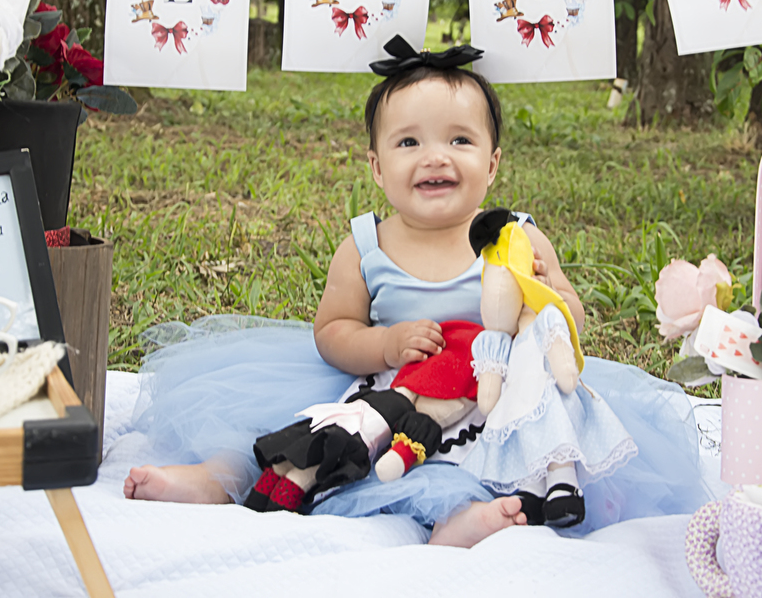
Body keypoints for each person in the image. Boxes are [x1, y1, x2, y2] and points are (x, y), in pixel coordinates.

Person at [124, 36, 711, 547]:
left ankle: (461, 519)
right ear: (377, 167)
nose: (435, 157)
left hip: (493, 398)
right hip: (382, 390)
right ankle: (217, 477)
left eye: (459, 140)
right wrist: (385, 345)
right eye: (409, 143)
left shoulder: (516, 236)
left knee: (481, 469)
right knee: (302, 436)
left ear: (493, 163)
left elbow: (570, 322)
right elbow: (331, 333)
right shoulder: (365, 246)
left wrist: (545, 287)